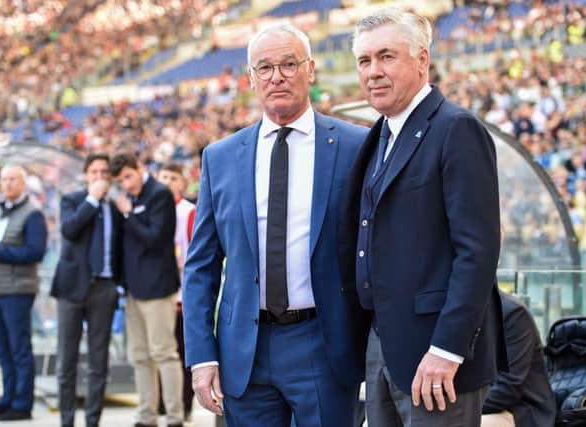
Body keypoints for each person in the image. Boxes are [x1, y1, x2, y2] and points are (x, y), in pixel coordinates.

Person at [182, 23, 368, 427]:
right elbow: (201, 267)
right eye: (264, 67)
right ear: (250, 78)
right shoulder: (221, 157)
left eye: (288, 64)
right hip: (243, 350)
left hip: (324, 342)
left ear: (311, 70)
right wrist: (201, 356)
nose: (277, 76)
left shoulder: (356, 147)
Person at [340, 8, 507, 426]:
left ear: (422, 59)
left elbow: (478, 251)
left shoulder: (456, 129)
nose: (373, 72)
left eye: (386, 57)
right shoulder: (379, 134)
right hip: (381, 348)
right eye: (364, 61)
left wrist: (448, 350)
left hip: (436, 356)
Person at [110, 152, 184, 427]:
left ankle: (175, 417)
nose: (126, 184)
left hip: (158, 288)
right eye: (120, 180)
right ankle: (146, 415)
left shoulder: (159, 194)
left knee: (164, 353)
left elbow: (156, 238)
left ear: (139, 168)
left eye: (128, 176)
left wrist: (129, 214)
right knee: (139, 356)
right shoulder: (127, 198)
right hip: (131, 289)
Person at [51, 153, 122, 427]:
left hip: (104, 287)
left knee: (98, 362)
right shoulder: (72, 200)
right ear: (85, 174)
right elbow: (69, 230)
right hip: (71, 288)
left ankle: (93, 421)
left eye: (105, 172)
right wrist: (91, 200)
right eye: (94, 171)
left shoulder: (116, 207)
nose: (100, 176)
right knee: (66, 362)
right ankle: (66, 421)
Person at [0, 165, 47, 421]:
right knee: (3, 349)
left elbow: (36, 252)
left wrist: (0, 252)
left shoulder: (32, 214)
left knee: (19, 348)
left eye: (13, 179)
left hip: (17, 290)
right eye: (4, 179)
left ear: (23, 183)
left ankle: (21, 402)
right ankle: (7, 398)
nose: (7, 184)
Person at [482, 292, 557, 427]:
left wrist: (461, 406)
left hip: (519, 411)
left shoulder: (512, 312)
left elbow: (508, 387)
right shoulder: (455, 313)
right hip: (481, 405)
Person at [157, 162, 196, 419]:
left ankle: (184, 406)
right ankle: (161, 403)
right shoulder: (152, 210)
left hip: (182, 295)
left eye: (173, 177)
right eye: (163, 177)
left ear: (182, 183)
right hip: (158, 295)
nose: (168, 182)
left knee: (182, 354)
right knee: (159, 352)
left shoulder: (189, 211)